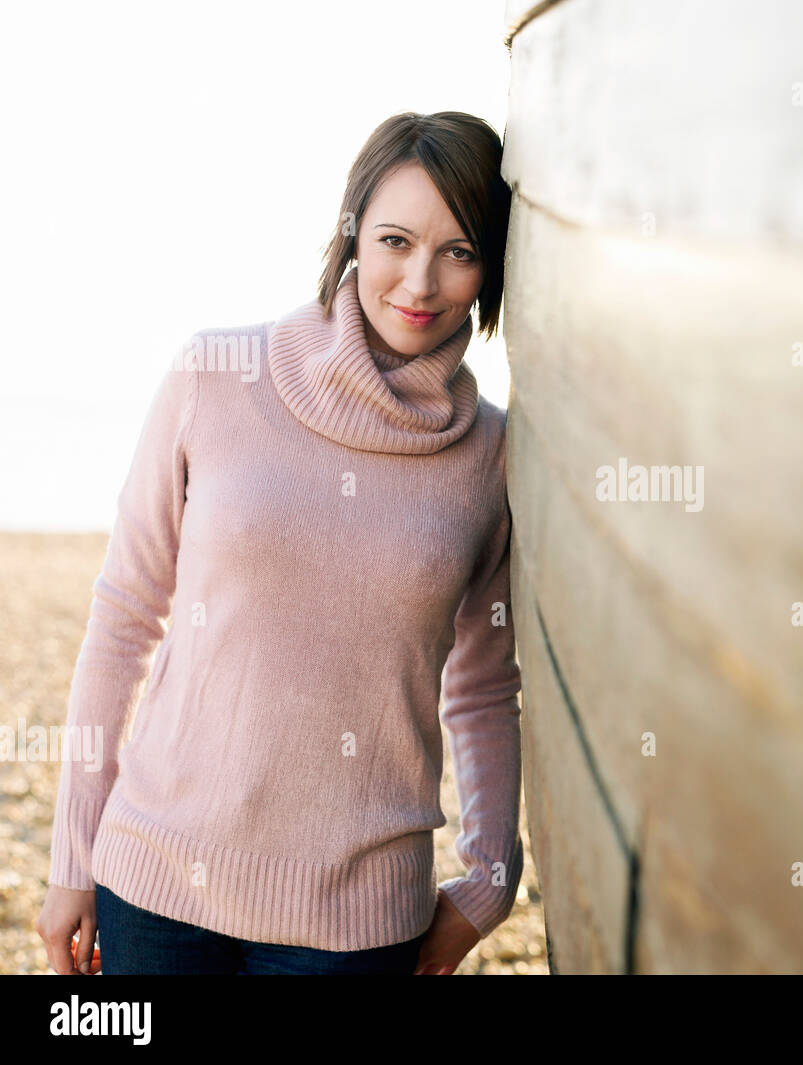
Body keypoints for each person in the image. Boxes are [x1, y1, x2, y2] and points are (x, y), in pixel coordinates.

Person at [35, 112, 522, 975]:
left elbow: (483, 688)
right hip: (153, 891)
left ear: (493, 267)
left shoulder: (491, 456)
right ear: (351, 237)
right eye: (396, 240)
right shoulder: (213, 376)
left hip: (356, 929)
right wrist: (73, 857)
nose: (420, 280)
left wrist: (488, 880)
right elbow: (122, 618)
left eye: (459, 250)